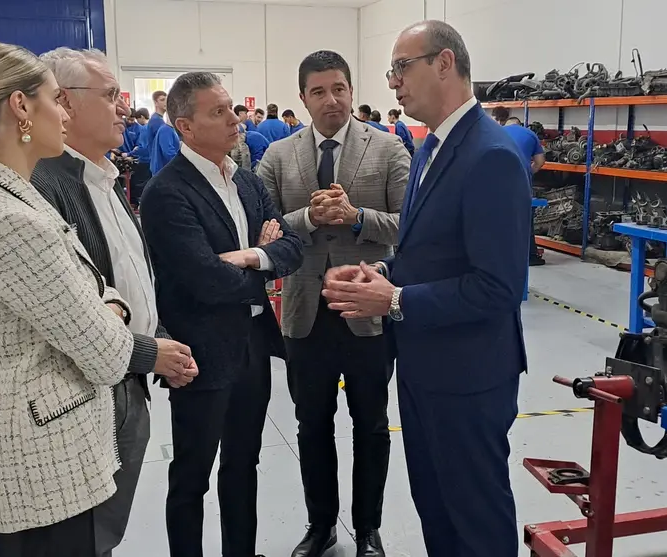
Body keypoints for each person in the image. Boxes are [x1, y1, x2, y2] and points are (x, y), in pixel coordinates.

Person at [0, 40, 137, 556]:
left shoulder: (8, 192)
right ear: (21, 106)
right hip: (44, 463)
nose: (65, 114)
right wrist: (112, 310)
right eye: (56, 99)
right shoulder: (12, 221)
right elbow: (108, 354)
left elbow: (93, 290)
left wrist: (105, 305)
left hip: (41, 454)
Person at [321, 20, 529, 557]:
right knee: (436, 510)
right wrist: (381, 275)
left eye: (401, 67)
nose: (393, 82)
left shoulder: (491, 156)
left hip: (469, 379)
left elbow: (499, 287)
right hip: (425, 371)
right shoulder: (430, 148)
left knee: (474, 518)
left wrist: (392, 301)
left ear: (444, 63)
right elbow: (432, 255)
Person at [30, 47, 199, 557]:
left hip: (128, 380)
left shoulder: (103, 180)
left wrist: (158, 338)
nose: (123, 106)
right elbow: (74, 312)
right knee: (82, 537)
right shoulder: (47, 187)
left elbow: (129, 279)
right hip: (87, 393)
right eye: (110, 96)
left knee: (103, 532)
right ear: (64, 104)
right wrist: (150, 351)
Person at [138, 71, 303, 557]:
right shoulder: (166, 194)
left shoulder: (247, 183)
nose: (235, 119)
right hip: (200, 351)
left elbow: (292, 248)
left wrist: (253, 256)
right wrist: (263, 263)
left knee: (243, 464)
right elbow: (205, 282)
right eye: (219, 112)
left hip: (253, 343)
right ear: (185, 127)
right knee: (192, 475)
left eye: (232, 108)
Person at [258, 49, 410, 557]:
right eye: (319, 91)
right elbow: (267, 228)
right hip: (305, 314)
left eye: (339, 88)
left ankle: (367, 529)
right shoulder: (278, 156)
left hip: (368, 308)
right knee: (311, 424)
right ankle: (320, 525)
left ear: (351, 89)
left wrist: (356, 216)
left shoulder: (388, 149)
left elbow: (410, 227)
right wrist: (310, 218)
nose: (332, 100)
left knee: (371, 423)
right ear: (303, 98)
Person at [492, 106, 546, 266]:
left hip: (498, 183)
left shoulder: (497, 132)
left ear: (504, 122)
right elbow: (540, 161)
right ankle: (530, 255)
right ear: (520, 124)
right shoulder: (530, 134)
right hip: (522, 184)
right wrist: (528, 172)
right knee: (525, 220)